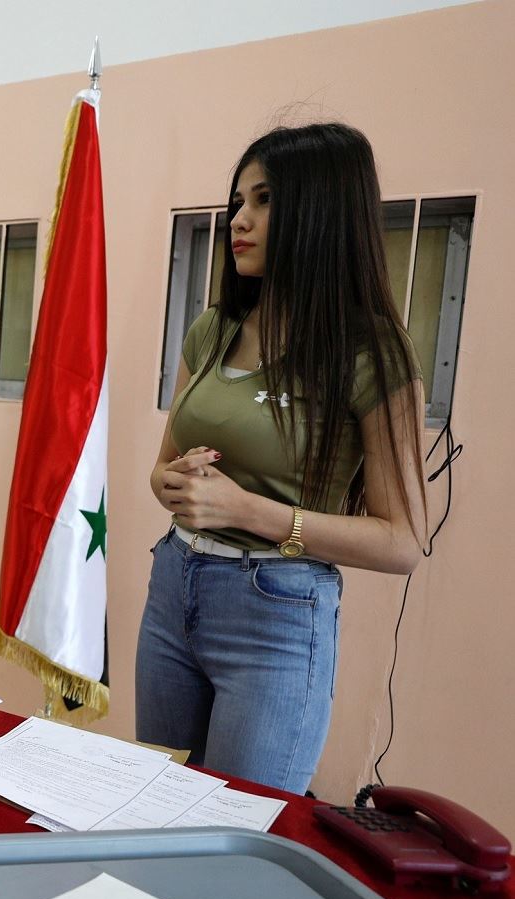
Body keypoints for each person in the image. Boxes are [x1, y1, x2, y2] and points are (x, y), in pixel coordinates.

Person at [135, 122, 426, 794]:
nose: (240, 219)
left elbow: (403, 539)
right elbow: (163, 469)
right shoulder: (213, 329)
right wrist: (172, 483)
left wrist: (247, 509)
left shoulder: (369, 353)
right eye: (239, 201)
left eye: (264, 201)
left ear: (321, 213)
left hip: (275, 613)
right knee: (153, 813)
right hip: (174, 587)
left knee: (234, 839)